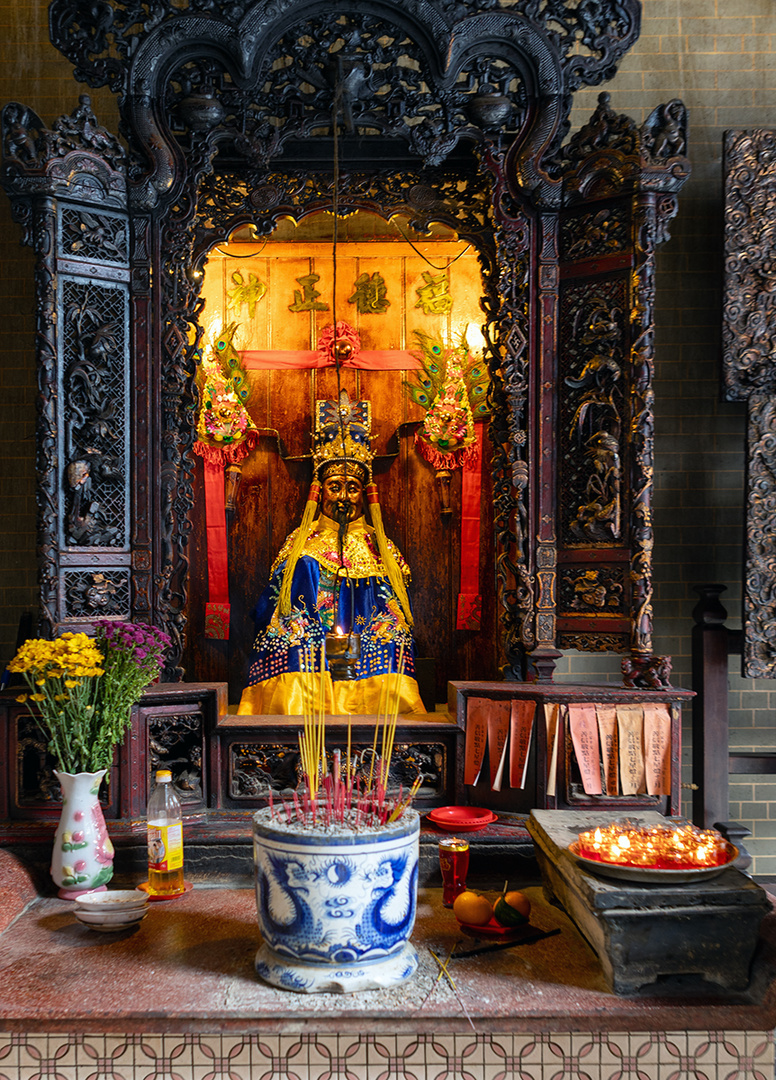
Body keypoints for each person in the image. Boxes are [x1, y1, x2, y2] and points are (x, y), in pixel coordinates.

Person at [237, 393, 426, 716]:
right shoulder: (302, 541)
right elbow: (273, 602)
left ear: (364, 494)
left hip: (370, 646)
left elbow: (396, 609)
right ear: (320, 490)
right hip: (309, 656)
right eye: (334, 486)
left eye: (352, 487)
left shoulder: (380, 547)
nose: (343, 496)